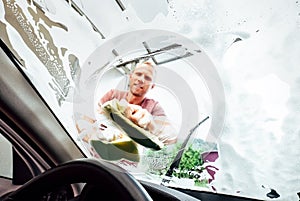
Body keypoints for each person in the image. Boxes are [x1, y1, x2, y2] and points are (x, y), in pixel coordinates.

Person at [98, 61, 177, 145]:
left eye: (147, 78)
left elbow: (172, 138)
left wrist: (151, 125)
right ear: (131, 76)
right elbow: (92, 116)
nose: (141, 79)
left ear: (152, 86)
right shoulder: (113, 94)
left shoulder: (153, 106)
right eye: (138, 74)